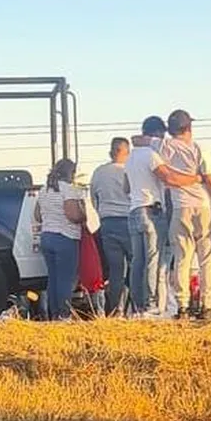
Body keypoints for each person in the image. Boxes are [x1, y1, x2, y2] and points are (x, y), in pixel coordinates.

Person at [124, 116, 201, 317]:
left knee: (138, 261)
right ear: (157, 133)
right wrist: (195, 178)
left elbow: (126, 187)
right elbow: (169, 178)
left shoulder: (130, 157)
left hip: (134, 210)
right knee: (154, 260)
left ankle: (137, 306)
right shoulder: (151, 155)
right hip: (152, 210)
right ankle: (151, 305)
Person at [161, 110, 211, 320]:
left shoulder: (163, 147)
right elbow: (210, 181)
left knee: (182, 259)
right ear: (189, 127)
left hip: (180, 207)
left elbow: (140, 140)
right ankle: (206, 305)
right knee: (207, 258)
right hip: (204, 205)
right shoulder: (199, 149)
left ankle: (182, 306)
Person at [35, 159, 87, 321]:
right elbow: (73, 215)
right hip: (65, 237)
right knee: (66, 279)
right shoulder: (69, 190)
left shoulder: (44, 190)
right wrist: (84, 215)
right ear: (70, 173)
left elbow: (37, 216)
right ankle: (64, 315)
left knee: (53, 278)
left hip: (47, 236)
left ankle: (54, 314)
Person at [91, 137, 132, 316]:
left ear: (111, 152)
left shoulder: (99, 172)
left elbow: (94, 198)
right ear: (126, 152)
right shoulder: (130, 170)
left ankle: (115, 309)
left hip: (107, 222)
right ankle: (134, 307)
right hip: (129, 221)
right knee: (135, 267)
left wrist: (102, 213)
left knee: (116, 270)